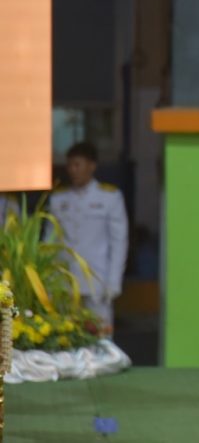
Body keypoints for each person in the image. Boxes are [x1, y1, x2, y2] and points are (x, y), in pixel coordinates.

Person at [50, 142, 129, 333]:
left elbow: (118, 242)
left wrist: (114, 280)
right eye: (70, 165)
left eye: (78, 164)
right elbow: (50, 241)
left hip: (97, 281)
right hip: (65, 281)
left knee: (100, 335)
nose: (73, 170)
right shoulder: (58, 199)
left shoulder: (109, 197)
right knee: (64, 335)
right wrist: (49, 278)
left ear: (92, 166)